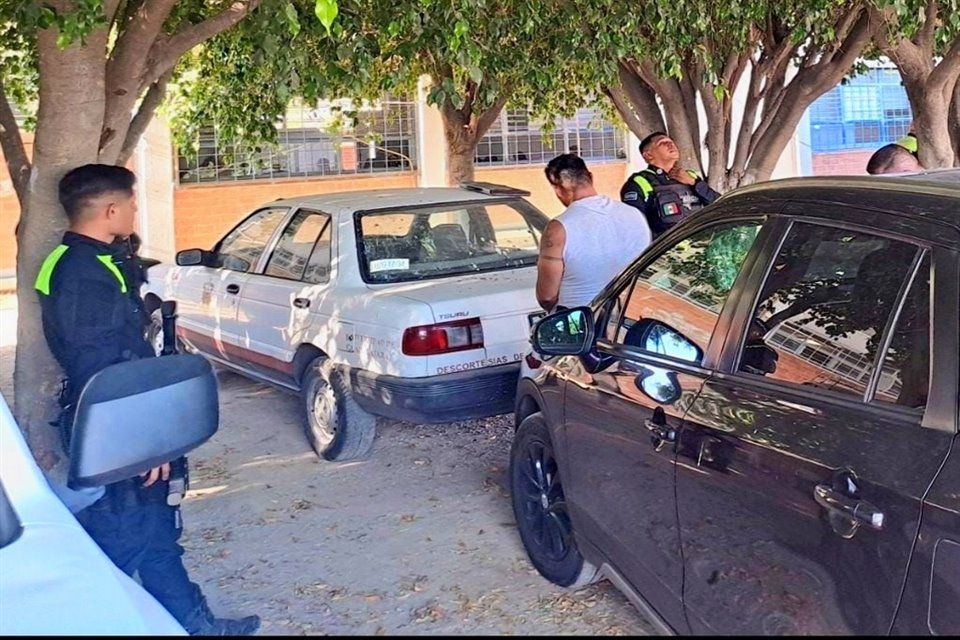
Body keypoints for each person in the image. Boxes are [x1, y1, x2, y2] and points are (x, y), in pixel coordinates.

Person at [34, 164, 260, 636]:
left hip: (122, 421)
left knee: (157, 534)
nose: (136, 212)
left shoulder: (84, 260)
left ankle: (196, 626)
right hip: (116, 430)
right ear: (111, 209)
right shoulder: (82, 275)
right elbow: (96, 364)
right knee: (122, 542)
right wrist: (138, 445)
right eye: (133, 204)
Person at [537, 154, 651, 312]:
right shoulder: (634, 214)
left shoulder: (557, 228)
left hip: (581, 319)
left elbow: (547, 296)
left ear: (557, 188)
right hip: (630, 312)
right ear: (590, 177)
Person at [620, 132, 720, 238]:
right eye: (663, 143)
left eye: (671, 142)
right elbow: (635, 227)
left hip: (700, 245)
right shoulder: (639, 182)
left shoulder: (690, 176)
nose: (671, 145)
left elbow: (719, 205)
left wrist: (694, 183)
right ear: (648, 155)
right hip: (667, 250)